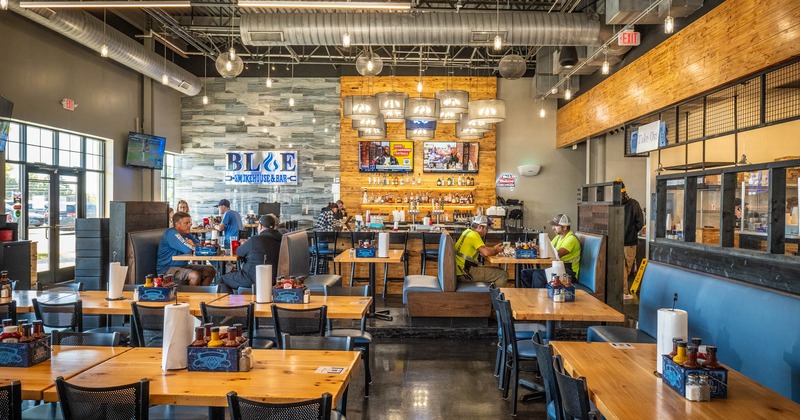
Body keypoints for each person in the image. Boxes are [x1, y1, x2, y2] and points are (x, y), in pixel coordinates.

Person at [218, 214, 283, 293]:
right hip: (275, 278)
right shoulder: (282, 239)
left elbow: (239, 252)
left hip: (252, 278)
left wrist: (246, 244)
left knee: (222, 279)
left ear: (261, 226)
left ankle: (230, 304)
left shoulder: (255, 240)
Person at [518, 213, 581, 288]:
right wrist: (536, 247)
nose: (553, 228)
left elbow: (557, 254)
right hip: (557, 267)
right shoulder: (558, 237)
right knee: (525, 273)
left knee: (538, 274)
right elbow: (549, 249)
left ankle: (537, 298)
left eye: (556, 226)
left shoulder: (571, 239)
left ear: (564, 228)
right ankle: (528, 297)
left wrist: (542, 249)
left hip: (568, 272)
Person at [157, 212, 216, 285]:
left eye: (190, 223)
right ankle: (191, 296)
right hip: (167, 269)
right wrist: (194, 246)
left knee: (210, 270)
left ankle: (201, 294)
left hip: (183, 266)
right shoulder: (171, 233)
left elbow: (201, 247)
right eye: (186, 223)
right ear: (177, 224)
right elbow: (188, 250)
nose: (189, 225)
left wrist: (194, 245)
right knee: (194, 276)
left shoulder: (187, 234)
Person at [454, 215, 508, 287]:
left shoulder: (467, 232)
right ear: (480, 227)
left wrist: (493, 249)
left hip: (460, 269)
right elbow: (486, 252)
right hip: (465, 272)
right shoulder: (475, 235)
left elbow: (483, 249)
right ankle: (493, 297)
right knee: (503, 275)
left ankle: (489, 292)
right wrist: (496, 250)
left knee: (499, 269)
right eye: (486, 229)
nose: (487, 232)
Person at [619, 178, 644, 299]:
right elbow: (640, 223)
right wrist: (632, 232)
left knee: (623, 268)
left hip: (616, 241)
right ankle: (624, 292)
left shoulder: (613, 205)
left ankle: (622, 291)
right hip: (629, 242)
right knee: (625, 268)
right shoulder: (634, 204)